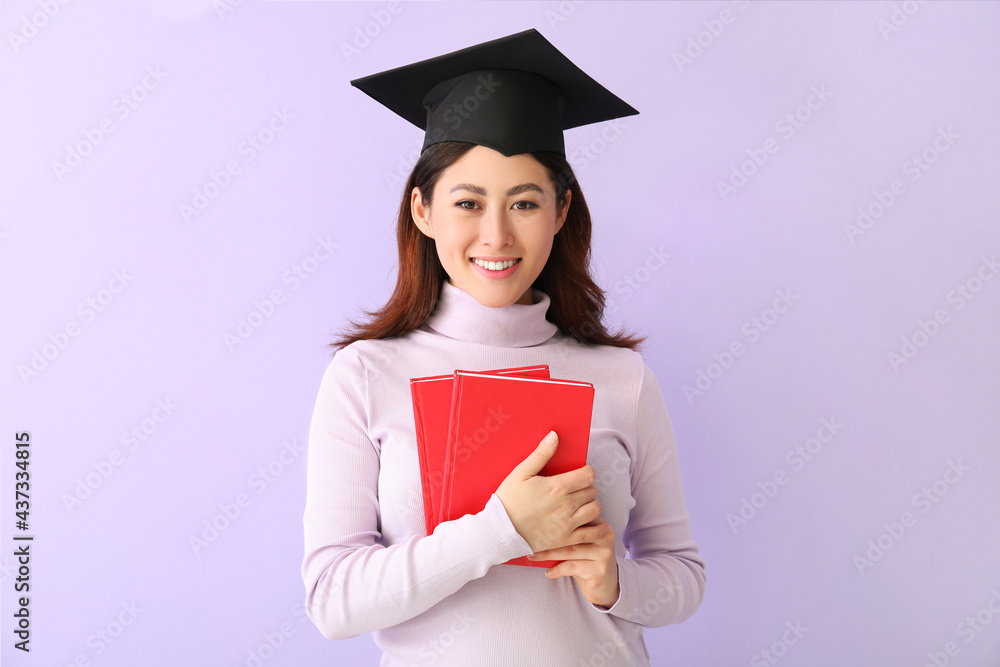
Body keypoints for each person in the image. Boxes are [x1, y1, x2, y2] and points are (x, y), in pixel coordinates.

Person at [301, 28, 706, 666]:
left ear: (561, 210)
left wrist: (616, 583)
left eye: (524, 202)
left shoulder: (621, 378)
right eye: (468, 202)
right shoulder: (366, 375)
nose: (496, 235)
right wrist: (501, 531)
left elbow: (683, 579)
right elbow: (332, 602)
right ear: (423, 211)